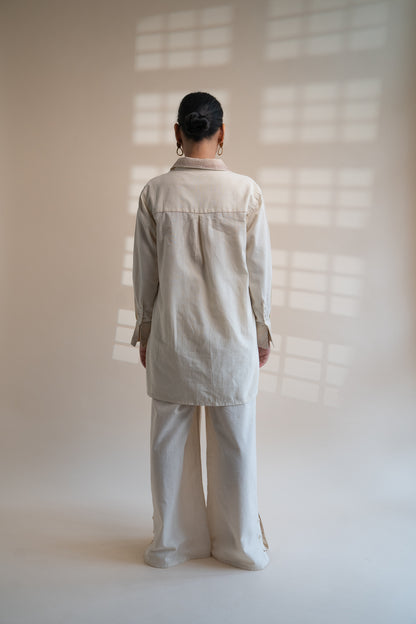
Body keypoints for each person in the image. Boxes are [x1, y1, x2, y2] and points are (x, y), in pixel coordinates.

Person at [130, 91, 273, 571]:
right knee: (236, 443)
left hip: (174, 335)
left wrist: (146, 328)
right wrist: (261, 331)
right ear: (222, 132)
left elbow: (145, 274)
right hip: (232, 340)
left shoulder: (155, 193)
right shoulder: (247, 193)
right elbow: (259, 274)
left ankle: (172, 544)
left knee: (168, 442)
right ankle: (239, 547)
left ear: (178, 132)